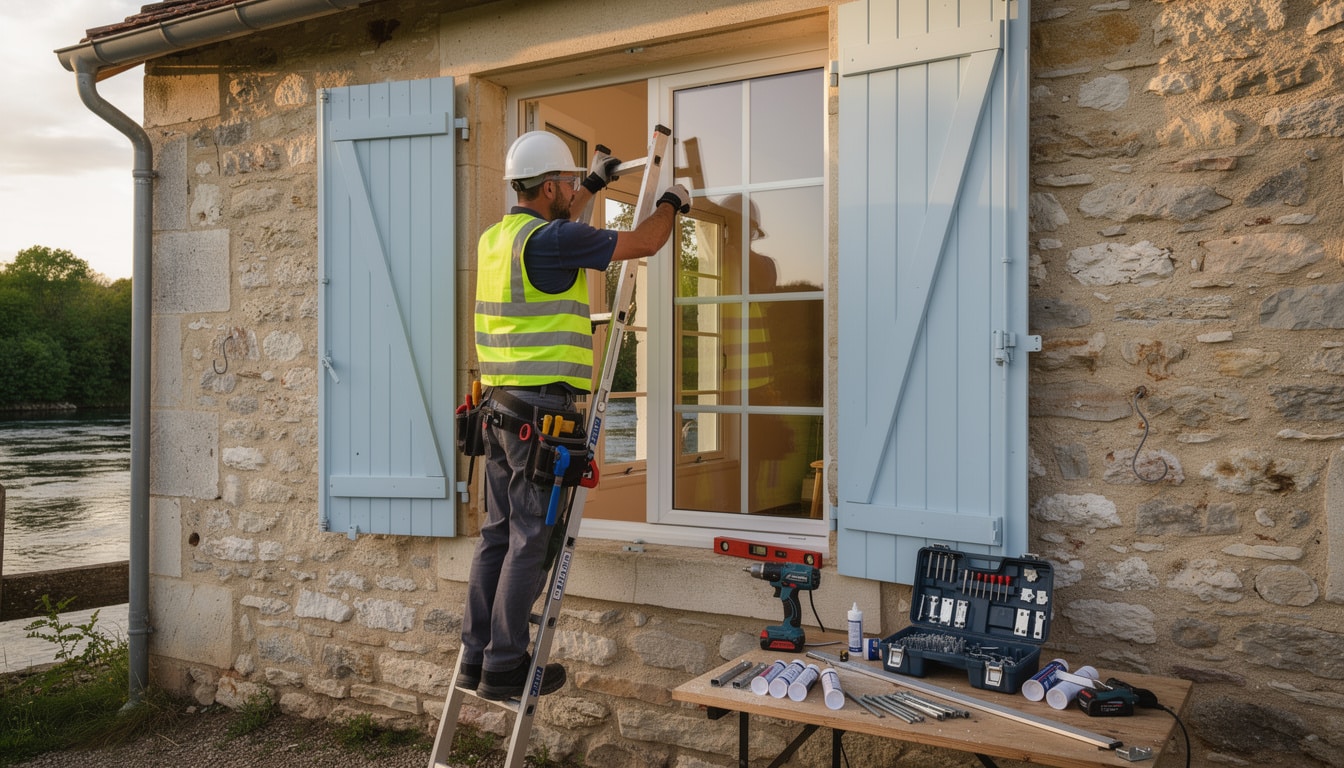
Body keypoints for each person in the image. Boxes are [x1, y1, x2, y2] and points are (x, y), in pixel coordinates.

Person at [460, 130, 690, 700]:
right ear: (547, 187)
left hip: (498, 412)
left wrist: (591, 182)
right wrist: (673, 202)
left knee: (496, 536)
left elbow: (556, 229)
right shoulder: (553, 239)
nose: (572, 191)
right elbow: (644, 243)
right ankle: (507, 665)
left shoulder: (498, 240)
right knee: (530, 539)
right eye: (566, 184)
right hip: (540, 413)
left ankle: (475, 658)